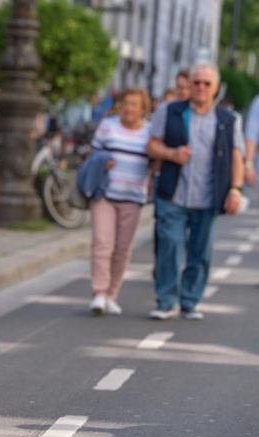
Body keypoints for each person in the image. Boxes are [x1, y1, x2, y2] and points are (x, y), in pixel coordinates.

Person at [146, 62, 245, 320]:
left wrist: (235, 189)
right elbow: (152, 146)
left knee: (200, 252)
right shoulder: (170, 111)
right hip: (173, 193)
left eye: (206, 83)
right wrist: (171, 153)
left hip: (208, 197)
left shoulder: (228, 119)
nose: (200, 87)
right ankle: (166, 301)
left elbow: (236, 157)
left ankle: (189, 301)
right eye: (196, 82)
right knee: (170, 245)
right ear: (188, 85)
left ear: (215, 87)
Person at [87, 88, 153, 315]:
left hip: (133, 197)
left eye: (134, 104)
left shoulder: (150, 132)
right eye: (125, 103)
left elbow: (154, 162)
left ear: (143, 108)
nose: (129, 108)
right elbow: (92, 155)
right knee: (102, 243)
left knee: (122, 248)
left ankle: (112, 294)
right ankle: (99, 293)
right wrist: (102, 162)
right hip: (104, 194)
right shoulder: (108, 126)